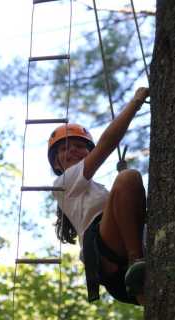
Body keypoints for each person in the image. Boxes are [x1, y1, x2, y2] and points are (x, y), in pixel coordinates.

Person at [48, 87, 149, 305]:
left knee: (127, 182)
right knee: (128, 179)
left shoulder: (95, 189)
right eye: (66, 148)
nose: (74, 150)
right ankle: (136, 261)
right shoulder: (62, 184)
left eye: (80, 146)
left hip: (116, 260)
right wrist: (136, 102)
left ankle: (141, 278)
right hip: (108, 256)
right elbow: (106, 144)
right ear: (57, 163)